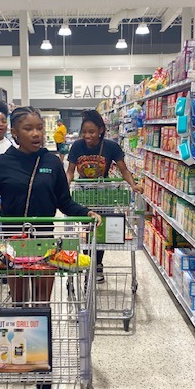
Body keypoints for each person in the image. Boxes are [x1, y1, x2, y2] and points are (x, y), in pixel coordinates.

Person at [0, 106, 101, 389]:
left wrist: (85, 212)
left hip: (44, 246)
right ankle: (25, 359)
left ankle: (43, 381)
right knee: (21, 307)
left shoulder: (51, 162)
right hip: (12, 246)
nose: (36, 134)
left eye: (39, 128)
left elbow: (64, 201)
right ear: (15, 132)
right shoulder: (1, 163)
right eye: (29, 128)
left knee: (42, 308)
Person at [66, 109, 143, 283]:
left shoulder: (111, 147)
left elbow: (123, 170)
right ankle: (88, 264)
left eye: (91, 131)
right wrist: (64, 187)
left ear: (101, 130)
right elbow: (70, 171)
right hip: (83, 195)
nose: (87, 135)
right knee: (87, 230)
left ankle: (97, 264)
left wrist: (133, 185)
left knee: (100, 231)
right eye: (84, 132)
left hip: (103, 195)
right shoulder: (77, 146)